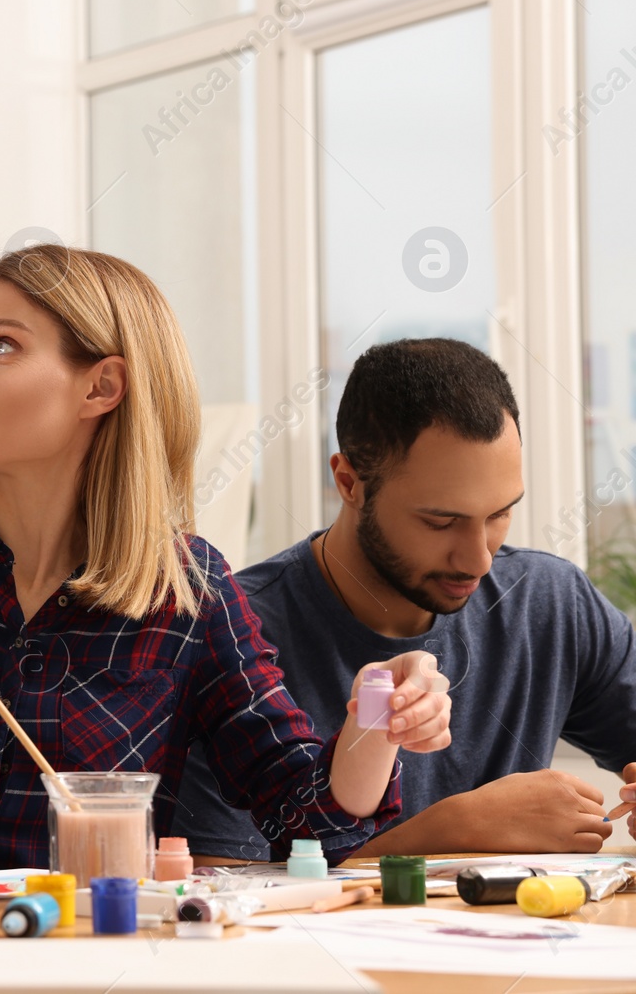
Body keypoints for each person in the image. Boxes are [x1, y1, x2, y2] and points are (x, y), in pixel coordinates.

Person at [0, 245, 452, 875]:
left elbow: (307, 811)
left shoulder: (189, 591)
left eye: (1, 345)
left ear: (100, 386)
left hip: (79, 962)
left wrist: (377, 712)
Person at [173, 338, 636, 859]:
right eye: (442, 521)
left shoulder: (551, 603)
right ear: (349, 482)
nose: (479, 559)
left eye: (500, 514)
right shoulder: (231, 634)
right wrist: (453, 829)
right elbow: (216, 888)